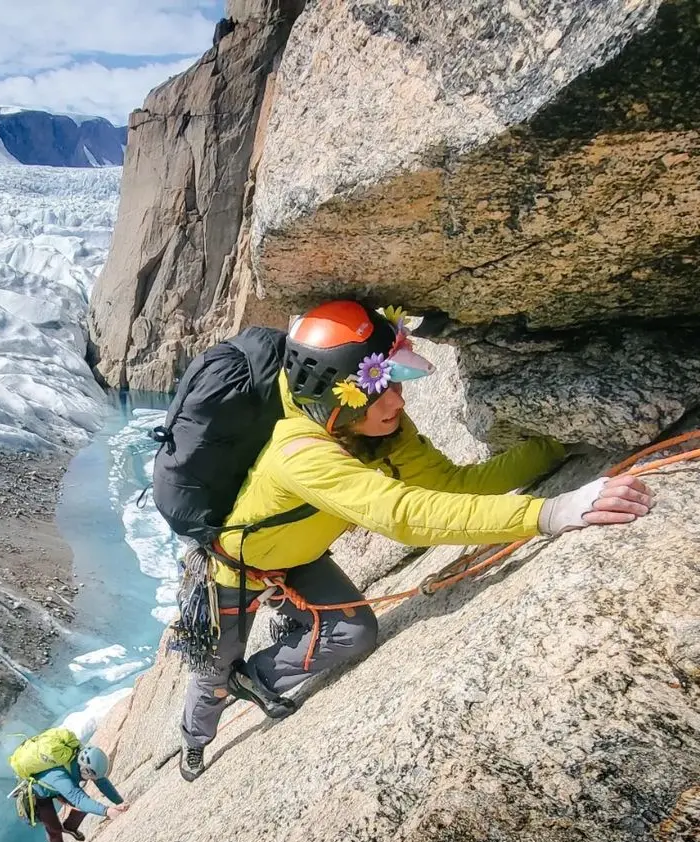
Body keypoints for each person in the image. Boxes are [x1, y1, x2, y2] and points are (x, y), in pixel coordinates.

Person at [179, 299, 652, 781]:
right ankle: (194, 740)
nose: (398, 402)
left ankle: (254, 679)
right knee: (211, 674)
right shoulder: (300, 454)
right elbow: (402, 515)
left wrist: (556, 444)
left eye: (395, 386)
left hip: (299, 558)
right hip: (233, 573)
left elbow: (453, 485)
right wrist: (550, 513)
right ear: (339, 399)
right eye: (382, 391)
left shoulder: (379, 431)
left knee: (355, 633)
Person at [31, 743, 127, 842]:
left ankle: (70, 827)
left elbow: (101, 781)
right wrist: (108, 811)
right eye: (90, 775)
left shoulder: (83, 763)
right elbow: (79, 799)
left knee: (83, 806)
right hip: (41, 793)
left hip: (60, 786)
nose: (90, 778)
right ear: (85, 770)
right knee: (53, 825)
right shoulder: (60, 776)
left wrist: (120, 802)